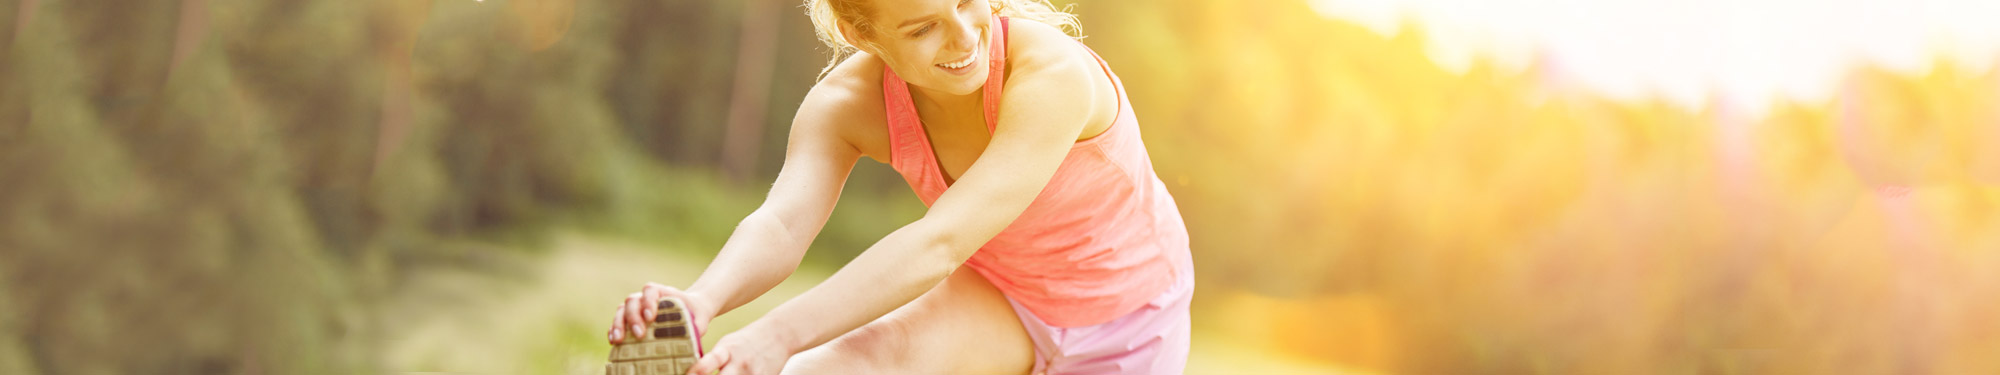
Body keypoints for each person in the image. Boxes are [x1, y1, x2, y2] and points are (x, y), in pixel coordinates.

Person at [606, 0, 1194, 373]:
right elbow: (783, 222)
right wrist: (702, 300)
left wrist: (776, 332)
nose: (964, 38)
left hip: (1133, 315)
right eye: (923, 28)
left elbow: (943, 242)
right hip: (1006, 299)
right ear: (860, 33)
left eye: (968, 1)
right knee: (834, 366)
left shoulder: (1052, 74)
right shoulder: (844, 107)